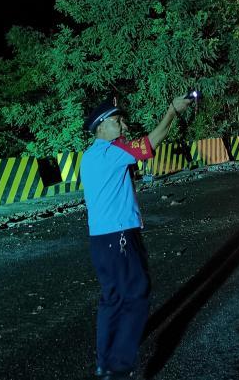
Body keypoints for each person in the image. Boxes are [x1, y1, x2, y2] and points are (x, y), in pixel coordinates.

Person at [80, 94, 192, 379]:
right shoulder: (111, 152)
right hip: (119, 236)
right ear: (101, 126)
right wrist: (170, 110)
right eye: (118, 121)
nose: (124, 126)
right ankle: (118, 367)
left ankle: (104, 361)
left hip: (100, 240)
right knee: (136, 293)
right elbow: (150, 143)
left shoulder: (92, 155)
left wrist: (173, 116)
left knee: (112, 298)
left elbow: (153, 140)